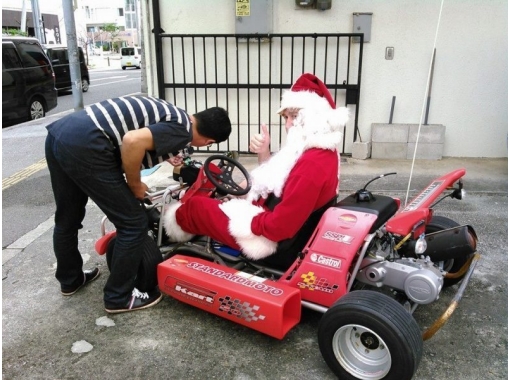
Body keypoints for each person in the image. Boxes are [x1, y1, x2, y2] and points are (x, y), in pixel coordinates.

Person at [45, 95, 231, 313]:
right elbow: (132, 141)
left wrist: (165, 152)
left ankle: (70, 280)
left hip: (61, 134)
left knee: (68, 217)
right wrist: (134, 185)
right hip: (88, 145)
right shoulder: (182, 130)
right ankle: (118, 297)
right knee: (133, 223)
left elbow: (137, 133)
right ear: (209, 141)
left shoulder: (175, 113)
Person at [164, 73, 348, 264]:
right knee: (224, 201)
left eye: (294, 116)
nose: (288, 125)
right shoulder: (321, 152)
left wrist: (242, 215)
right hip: (279, 228)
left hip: (269, 243)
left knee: (195, 207)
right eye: (286, 117)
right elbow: (279, 182)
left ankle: (169, 233)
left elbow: (280, 227)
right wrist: (264, 152)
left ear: (315, 115)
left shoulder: (312, 164)